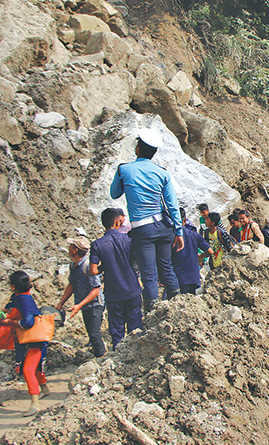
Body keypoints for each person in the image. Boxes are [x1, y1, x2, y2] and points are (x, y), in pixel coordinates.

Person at [110, 129, 184, 309]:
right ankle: (179, 307)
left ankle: (151, 314)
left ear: (137, 149)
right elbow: (172, 205)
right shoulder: (162, 173)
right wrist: (179, 231)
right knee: (166, 269)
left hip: (142, 230)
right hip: (163, 228)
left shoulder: (124, 169)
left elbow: (114, 194)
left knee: (149, 274)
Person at [90, 208, 144, 350]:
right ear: (116, 222)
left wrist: (105, 267)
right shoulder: (128, 240)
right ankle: (136, 354)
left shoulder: (97, 244)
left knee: (117, 329)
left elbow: (93, 270)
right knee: (136, 327)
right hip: (132, 288)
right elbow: (138, 259)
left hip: (113, 292)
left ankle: (118, 357)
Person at [1, 271, 49, 416]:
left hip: (32, 341)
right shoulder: (21, 298)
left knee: (28, 370)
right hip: (30, 341)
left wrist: (11, 322)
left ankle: (35, 404)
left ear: (13, 286)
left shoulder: (23, 300)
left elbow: (27, 322)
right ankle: (45, 389)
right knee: (34, 368)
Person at [55, 236, 106, 358]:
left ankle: (102, 357)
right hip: (85, 305)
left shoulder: (88, 266)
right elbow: (71, 285)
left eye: (70, 246)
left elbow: (95, 290)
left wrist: (79, 305)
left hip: (95, 304)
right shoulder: (73, 266)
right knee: (91, 333)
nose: (68, 248)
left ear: (75, 250)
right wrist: (61, 303)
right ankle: (97, 355)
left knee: (94, 334)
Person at [173, 213, 214, 294]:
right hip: (194, 279)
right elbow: (210, 251)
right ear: (184, 220)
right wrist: (201, 256)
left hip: (178, 280)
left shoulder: (170, 237)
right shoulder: (194, 235)